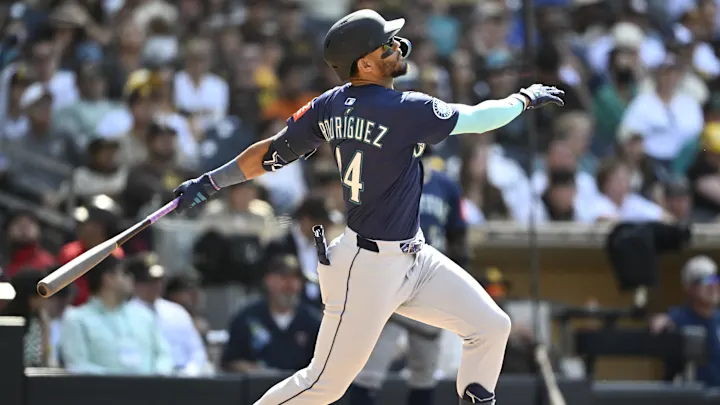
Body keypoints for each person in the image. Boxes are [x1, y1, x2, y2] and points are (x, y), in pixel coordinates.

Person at [172, 9, 564, 405]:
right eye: (386, 44)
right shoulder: (404, 107)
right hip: (366, 267)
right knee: (323, 385)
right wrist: (522, 99)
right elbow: (479, 119)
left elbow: (272, 153)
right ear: (365, 63)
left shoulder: (329, 104)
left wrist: (212, 181)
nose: (397, 47)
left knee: (491, 326)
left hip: (413, 257)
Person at [349, 148, 468, 405]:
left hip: (430, 282)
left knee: (424, 372)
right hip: (391, 279)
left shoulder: (446, 186)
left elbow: (458, 237)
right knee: (368, 370)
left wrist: (456, 282)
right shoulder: (385, 179)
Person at [59, 255, 173, 375]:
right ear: (108, 278)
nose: (130, 279)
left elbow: (164, 354)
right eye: (124, 274)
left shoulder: (144, 315)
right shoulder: (77, 319)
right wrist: (120, 381)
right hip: (102, 387)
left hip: (150, 386)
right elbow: (78, 365)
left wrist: (157, 377)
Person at [221, 254, 321, 373]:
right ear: (268, 280)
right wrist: (255, 370)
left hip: (301, 383)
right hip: (260, 383)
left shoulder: (312, 321)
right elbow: (230, 361)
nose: (290, 285)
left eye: (295, 279)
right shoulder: (247, 319)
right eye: (284, 277)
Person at [126, 253, 210, 375]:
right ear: (135, 283)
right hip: (147, 377)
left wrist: (190, 371)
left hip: (184, 376)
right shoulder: (126, 314)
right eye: (149, 281)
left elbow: (197, 350)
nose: (156, 285)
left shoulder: (177, 312)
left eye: (159, 280)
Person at [650, 256, 720, 387]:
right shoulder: (677, 318)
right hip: (691, 395)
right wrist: (661, 322)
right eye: (704, 280)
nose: (712, 285)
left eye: (715, 279)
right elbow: (660, 323)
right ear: (689, 287)